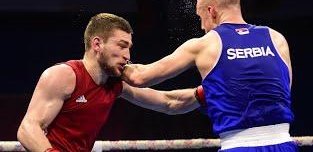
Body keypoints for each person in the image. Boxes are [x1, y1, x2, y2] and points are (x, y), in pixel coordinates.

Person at [122, 0, 298, 151]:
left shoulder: (205, 44)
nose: (202, 26)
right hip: (283, 143)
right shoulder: (276, 38)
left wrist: (108, 60)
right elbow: (283, 90)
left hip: (238, 146)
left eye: (201, 17)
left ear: (211, 11)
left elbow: (139, 77)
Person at [17, 13, 201, 152]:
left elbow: (169, 102)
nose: (127, 56)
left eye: (129, 48)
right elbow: (28, 128)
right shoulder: (63, 75)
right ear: (97, 44)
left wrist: (206, 92)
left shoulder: (115, 84)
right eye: (121, 46)